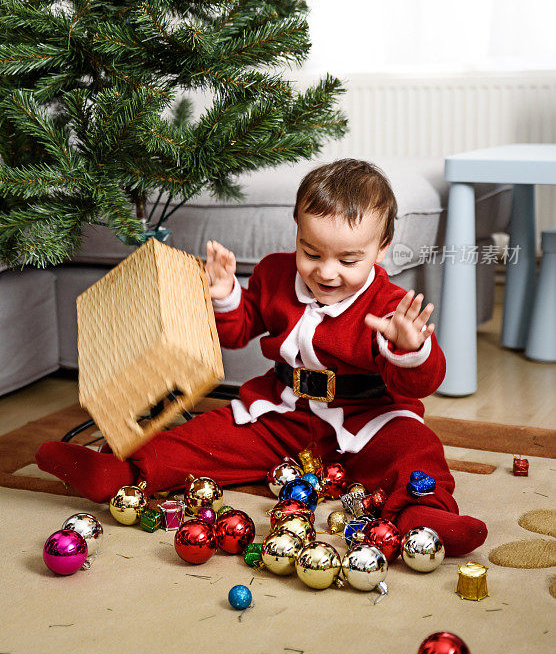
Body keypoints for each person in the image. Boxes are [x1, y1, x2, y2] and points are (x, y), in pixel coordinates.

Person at [36, 159, 487, 556]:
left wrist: (410, 347)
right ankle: (121, 470)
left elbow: (420, 384)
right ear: (296, 230)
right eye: (311, 253)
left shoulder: (390, 304)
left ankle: (425, 516)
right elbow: (237, 332)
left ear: (382, 247)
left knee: (416, 448)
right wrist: (227, 295)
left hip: (367, 420)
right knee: (205, 434)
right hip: (280, 413)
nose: (326, 273)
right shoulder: (274, 272)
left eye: (349, 260)